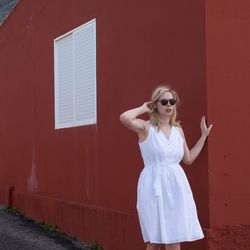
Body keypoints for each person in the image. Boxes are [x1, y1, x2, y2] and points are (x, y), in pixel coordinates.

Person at [119, 85, 213, 250]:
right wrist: (143, 108)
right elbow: (124, 117)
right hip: (153, 185)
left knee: (174, 239)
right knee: (154, 241)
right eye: (164, 101)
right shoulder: (145, 128)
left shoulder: (178, 130)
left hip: (176, 186)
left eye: (172, 101)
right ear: (155, 104)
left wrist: (203, 137)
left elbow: (188, 159)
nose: (169, 105)